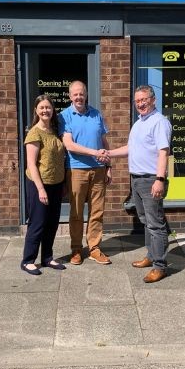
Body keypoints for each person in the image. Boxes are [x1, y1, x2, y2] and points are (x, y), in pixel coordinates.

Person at [105, 85, 172, 283]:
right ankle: (151, 256)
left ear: (153, 100)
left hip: (151, 179)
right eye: (137, 101)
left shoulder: (159, 122)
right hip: (136, 179)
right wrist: (109, 154)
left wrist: (159, 180)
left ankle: (160, 266)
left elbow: (163, 152)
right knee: (145, 221)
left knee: (156, 224)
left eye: (144, 100)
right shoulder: (139, 123)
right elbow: (130, 148)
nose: (140, 104)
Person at [58, 80, 112, 266]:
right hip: (76, 170)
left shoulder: (96, 114)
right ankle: (76, 249)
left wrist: (109, 166)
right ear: (70, 96)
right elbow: (69, 145)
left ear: (86, 94)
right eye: (75, 94)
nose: (79, 97)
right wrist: (95, 153)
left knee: (97, 211)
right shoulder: (64, 116)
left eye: (81, 93)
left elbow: (104, 141)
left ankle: (94, 248)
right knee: (76, 212)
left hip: (99, 170)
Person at [21, 94, 66, 276]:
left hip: (56, 183)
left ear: (53, 110)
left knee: (52, 223)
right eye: (42, 107)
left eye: (48, 107)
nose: (45, 110)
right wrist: (40, 189)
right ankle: (27, 260)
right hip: (39, 184)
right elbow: (31, 164)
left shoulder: (54, 130)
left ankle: (47, 257)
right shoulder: (34, 132)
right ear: (36, 110)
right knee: (38, 223)